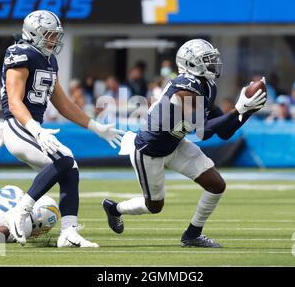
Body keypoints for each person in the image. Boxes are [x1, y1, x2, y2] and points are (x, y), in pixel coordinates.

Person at [102, 39, 266, 248]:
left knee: (216, 185)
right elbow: (203, 130)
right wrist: (238, 110)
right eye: (208, 60)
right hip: (150, 150)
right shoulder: (185, 88)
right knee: (154, 206)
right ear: (191, 63)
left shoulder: (208, 85)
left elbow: (222, 132)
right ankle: (115, 209)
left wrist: (247, 112)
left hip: (176, 143)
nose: (214, 62)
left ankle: (192, 235)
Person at [0, 10, 124, 247]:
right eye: (48, 34)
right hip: (19, 126)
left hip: (33, 128)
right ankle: (19, 211)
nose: (53, 39)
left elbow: (63, 103)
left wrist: (95, 127)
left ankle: (68, 233)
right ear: (32, 33)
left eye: (54, 35)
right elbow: (15, 102)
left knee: (71, 168)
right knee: (66, 160)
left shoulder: (49, 59)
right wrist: (36, 130)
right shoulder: (19, 53)